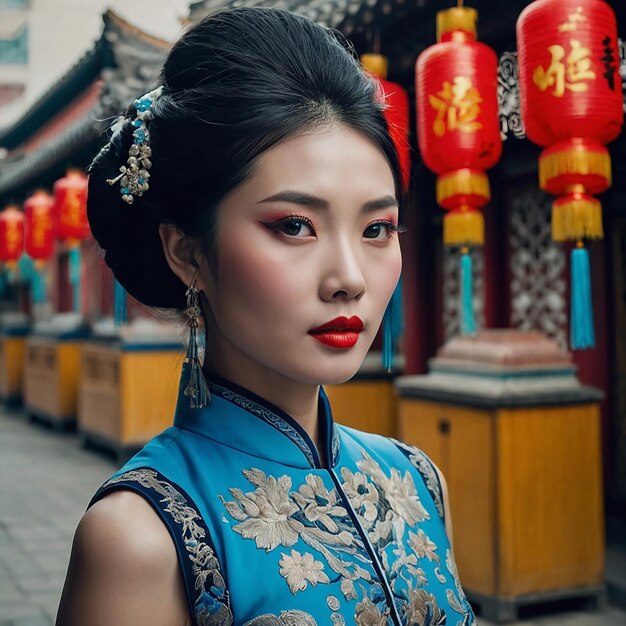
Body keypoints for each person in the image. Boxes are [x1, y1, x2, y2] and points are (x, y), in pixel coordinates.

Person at [56, 7, 476, 626]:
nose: (350, 278)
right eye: (294, 225)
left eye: (376, 228)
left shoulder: (416, 482)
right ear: (187, 251)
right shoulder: (142, 538)